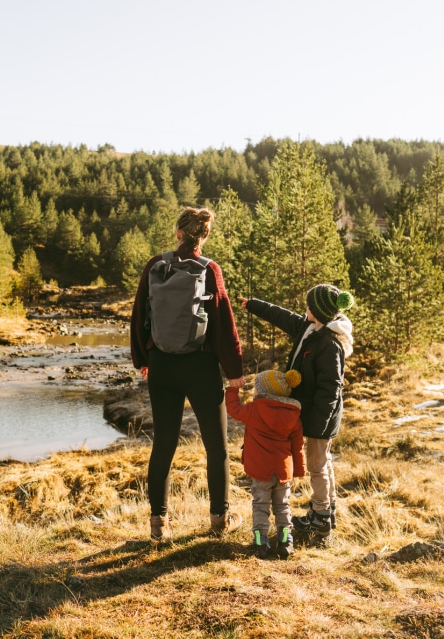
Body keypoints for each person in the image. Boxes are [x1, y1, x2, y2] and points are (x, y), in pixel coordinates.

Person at [131, 207, 246, 542]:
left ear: (178, 233)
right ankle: (219, 520)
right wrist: (234, 371)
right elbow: (223, 323)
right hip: (200, 366)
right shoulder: (209, 269)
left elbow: (139, 314)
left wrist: (143, 358)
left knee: (163, 444)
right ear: (203, 236)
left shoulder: (156, 265)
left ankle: (159, 524)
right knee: (216, 446)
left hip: (162, 364)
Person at [237, 284, 354, 538]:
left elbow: (331, 388)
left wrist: (317, 425)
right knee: (323, 462)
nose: (305, 308)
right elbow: (282, 316)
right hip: (314, 413)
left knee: (317, 465)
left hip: (321, 416)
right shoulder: (309, 328)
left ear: (319, 312)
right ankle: (328, 510)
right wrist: (253, 304)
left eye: (309, 305)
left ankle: (320, 516)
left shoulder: (329, 344)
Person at [225, 368, 306, 559]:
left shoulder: (254, 409)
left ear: (264, 391)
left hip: (260, 470)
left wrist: (232, 390)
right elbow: (298, 445)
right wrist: (299, 469)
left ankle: (261, 542)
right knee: (282, 506)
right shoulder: (293, 414)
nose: (254, 391)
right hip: (283, 470)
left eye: (256, 388)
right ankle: (285, 541)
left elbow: (233, 409)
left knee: (260, 505)